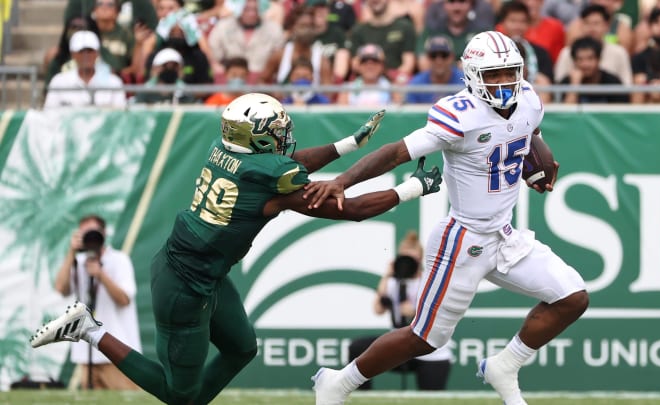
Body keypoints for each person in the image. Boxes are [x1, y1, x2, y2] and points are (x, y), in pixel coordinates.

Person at [30, 93, 443, 405]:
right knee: (180, 397)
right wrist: (411, 188)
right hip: (183, 286)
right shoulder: (266, 177)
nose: (283, 134)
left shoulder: (227, 151)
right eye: (275, 130)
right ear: (257, 138)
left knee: (243, 348)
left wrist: (346, 146)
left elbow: (291, 163)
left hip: (203, 271)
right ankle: (88, 328)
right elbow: (347, 209)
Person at [305, 31, 589, 405]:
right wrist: (342, 180)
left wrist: (537, 166)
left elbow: (528, 133)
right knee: (425, 337)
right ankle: (338, 382)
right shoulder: (459, 115)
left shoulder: (530, 100)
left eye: (509, 72)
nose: (504, 83)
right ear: (471, 75)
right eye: (493, 75)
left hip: (504, 237)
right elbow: (395, 153)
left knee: (573, 297)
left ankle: (506, 366)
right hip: (463, 239)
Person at [348, 231, 452, 391]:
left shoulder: (428, 280)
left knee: (432, 397)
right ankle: (362, 397)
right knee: (357, 347)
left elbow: (440, 312)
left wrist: (415, 311)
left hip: (430, 351)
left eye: (412, 260)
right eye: (404, 259)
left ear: (420, 261)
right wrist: (387, 276)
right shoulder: (392, 282)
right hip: (400, 346)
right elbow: (378, 309)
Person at [54, 215, 141, 390]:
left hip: (118, 352)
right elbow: (61, 288)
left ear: (103, 234)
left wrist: (101, 275)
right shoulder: (77, 262)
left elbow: (124, 300)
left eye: (93, 233)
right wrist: (71, 252)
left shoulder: (119, 259)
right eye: (85, 233)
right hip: (87, 353)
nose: (90, 237)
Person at [44, 30, 127, 108]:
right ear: (73, 54)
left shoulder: (114, 82)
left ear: (97, 53)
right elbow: (50, 114)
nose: (86, 55)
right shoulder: (59, 82)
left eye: (90, 51)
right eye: (81, 51)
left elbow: (119, 116)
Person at [558, 36, 629, 103]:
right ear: (574, 61)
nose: (585, 64)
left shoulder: (613, 82)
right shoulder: (566, 83)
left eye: (590, 58)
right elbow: (565, 114)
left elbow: (619, 113)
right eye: (580, 59)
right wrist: (574, 86)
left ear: (599, 59)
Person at [405, 36, 465, 105]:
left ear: (452, 57)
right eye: (433, 55)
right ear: (427, 57)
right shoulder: (416, 84)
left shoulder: (465, 82)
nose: (439, 61)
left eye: (444, 55)